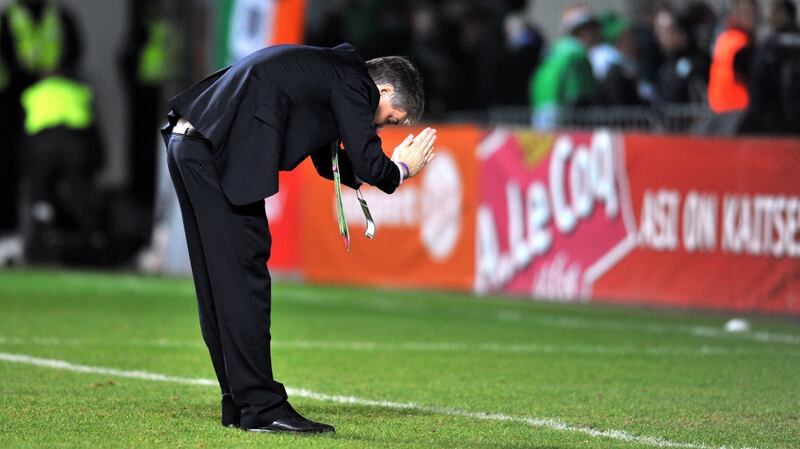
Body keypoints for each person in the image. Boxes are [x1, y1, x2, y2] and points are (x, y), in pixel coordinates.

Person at [162, 43, 436, 433]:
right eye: (391, 119)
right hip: (215, 153)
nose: (381, 126)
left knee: (218, 285)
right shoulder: (355, 84)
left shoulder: (329, 73)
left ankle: (239, 403)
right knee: (243, 282)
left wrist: (380, 168)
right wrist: (402, 169)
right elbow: (368, 159)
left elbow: (331, 161)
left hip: (190, 142)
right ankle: (260, 407)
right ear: (385, 91)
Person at [529, 4, 601, 129]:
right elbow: (580, 94)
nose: (597, 34)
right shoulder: (577, 53)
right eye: (592, 28)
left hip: (541, 112)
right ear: (582, 31)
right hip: (562, 116)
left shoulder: (555, 50)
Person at [743, 0, 800, 134]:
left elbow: (759, 81)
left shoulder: (770, 45)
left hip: (773, 121)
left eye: (772, 11)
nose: (768, 15)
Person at [707, 0, 758, 114]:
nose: (751, 18)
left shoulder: (725, 38)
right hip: (738, 110)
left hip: (720, 109)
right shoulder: (741, 43)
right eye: (746, 13)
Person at [653, 7, 710, 104]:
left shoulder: (699, 61)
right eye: (658, 31)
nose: (661, 36)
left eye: (666, 31)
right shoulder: (663, 62)